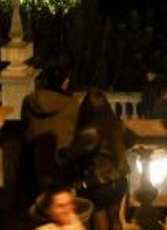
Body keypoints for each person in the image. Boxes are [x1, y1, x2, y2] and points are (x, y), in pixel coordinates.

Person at [63, 89, 136, 230]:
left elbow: (71, 155)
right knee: (115, 219)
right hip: (119, 181)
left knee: (99, 221)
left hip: (97, 184)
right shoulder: (117, 124)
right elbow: (132, 140)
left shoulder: (89, 132)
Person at [21, 65, 81, 207]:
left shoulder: (29, 101)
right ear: (64, 82)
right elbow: (77, 128)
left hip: (33, 159)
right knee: (60, 205)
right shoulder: (72, 104)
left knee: (37, 205)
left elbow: (24, 123)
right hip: (60, 160)